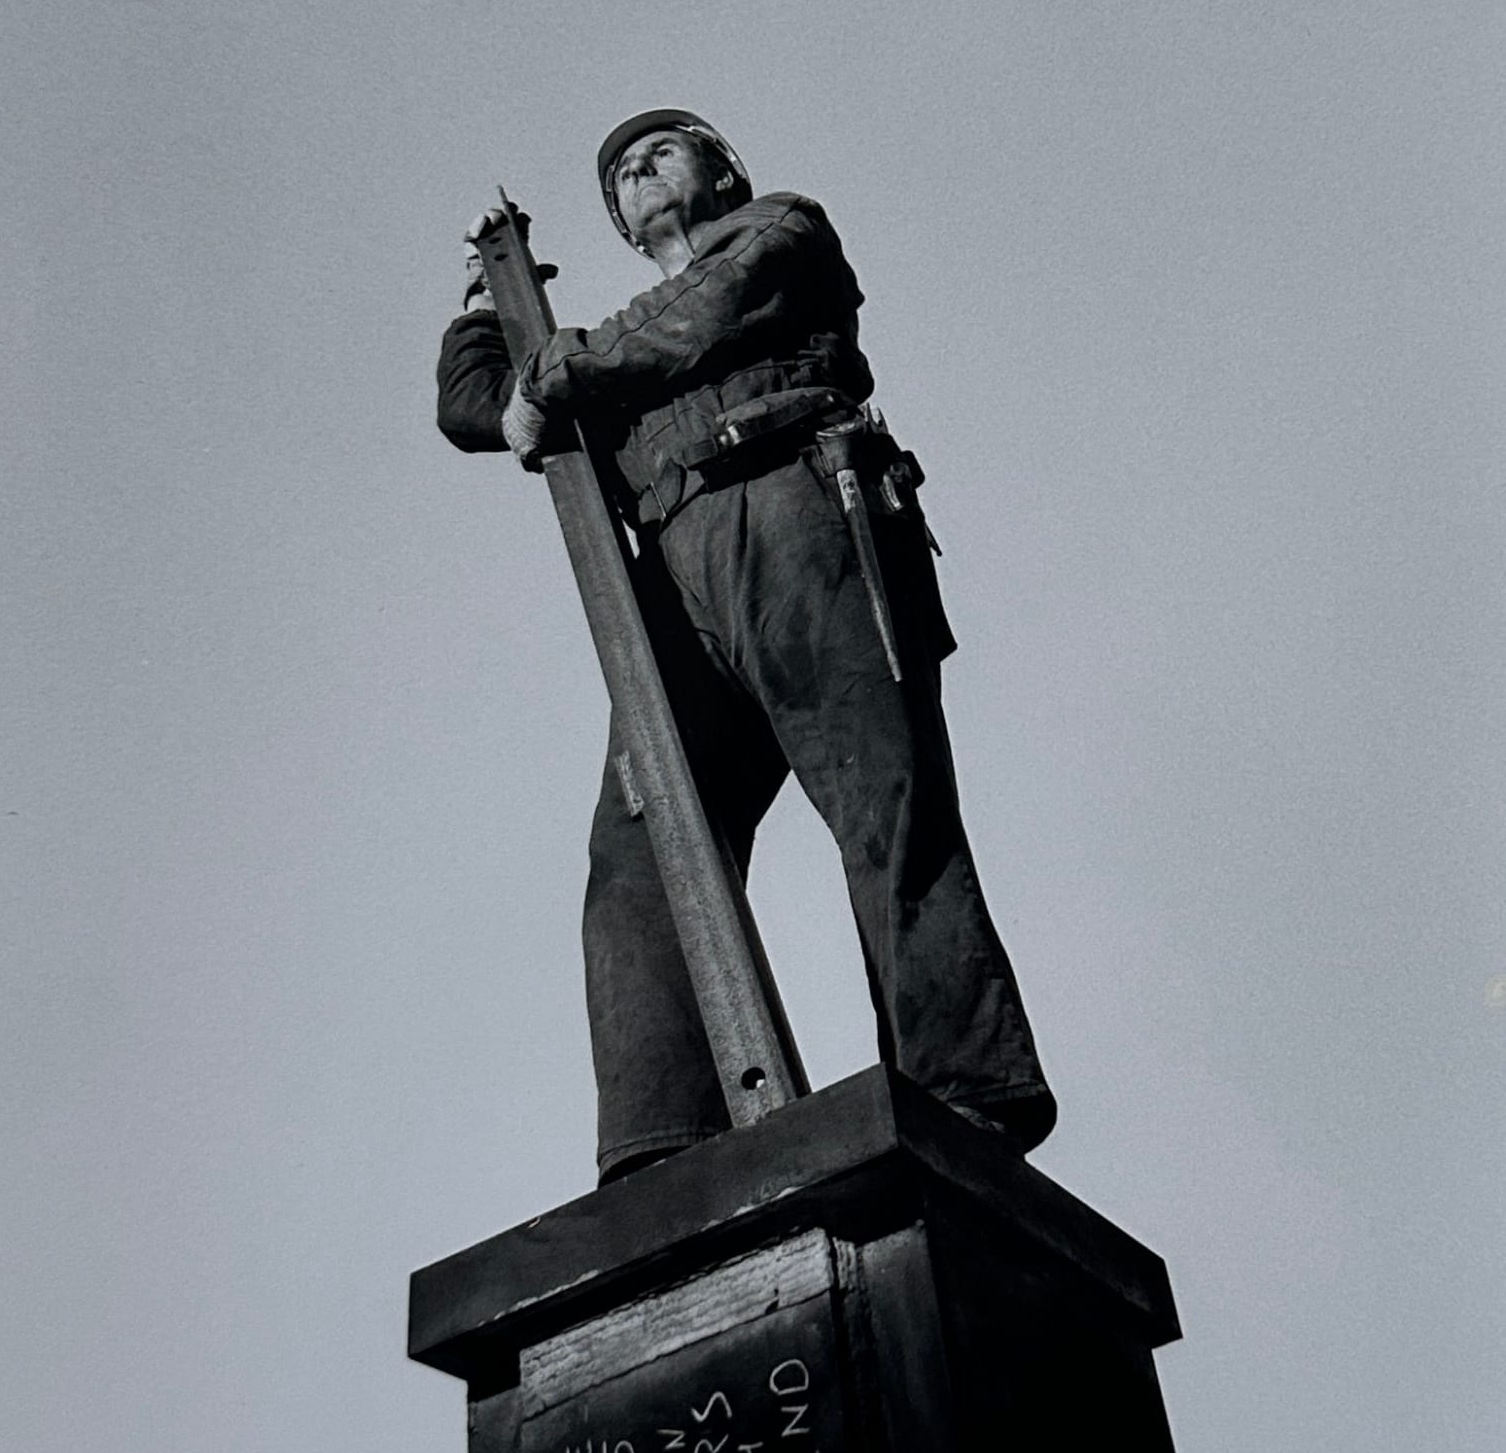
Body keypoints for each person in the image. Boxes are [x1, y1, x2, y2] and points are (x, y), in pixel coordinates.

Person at [437, 109, 1055, 1183]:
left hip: (798, 507)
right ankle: (663, 1139)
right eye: (620, 177)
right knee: (643, 846)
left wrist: (547, 375)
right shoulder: (597, 360)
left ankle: (965, 1085)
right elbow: (476, 412)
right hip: (671, 576)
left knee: (882, 798)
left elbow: (679, 323)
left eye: (661, 152)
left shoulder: (776, 232)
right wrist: (489, 316)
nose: (637, 172)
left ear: (721, 172)